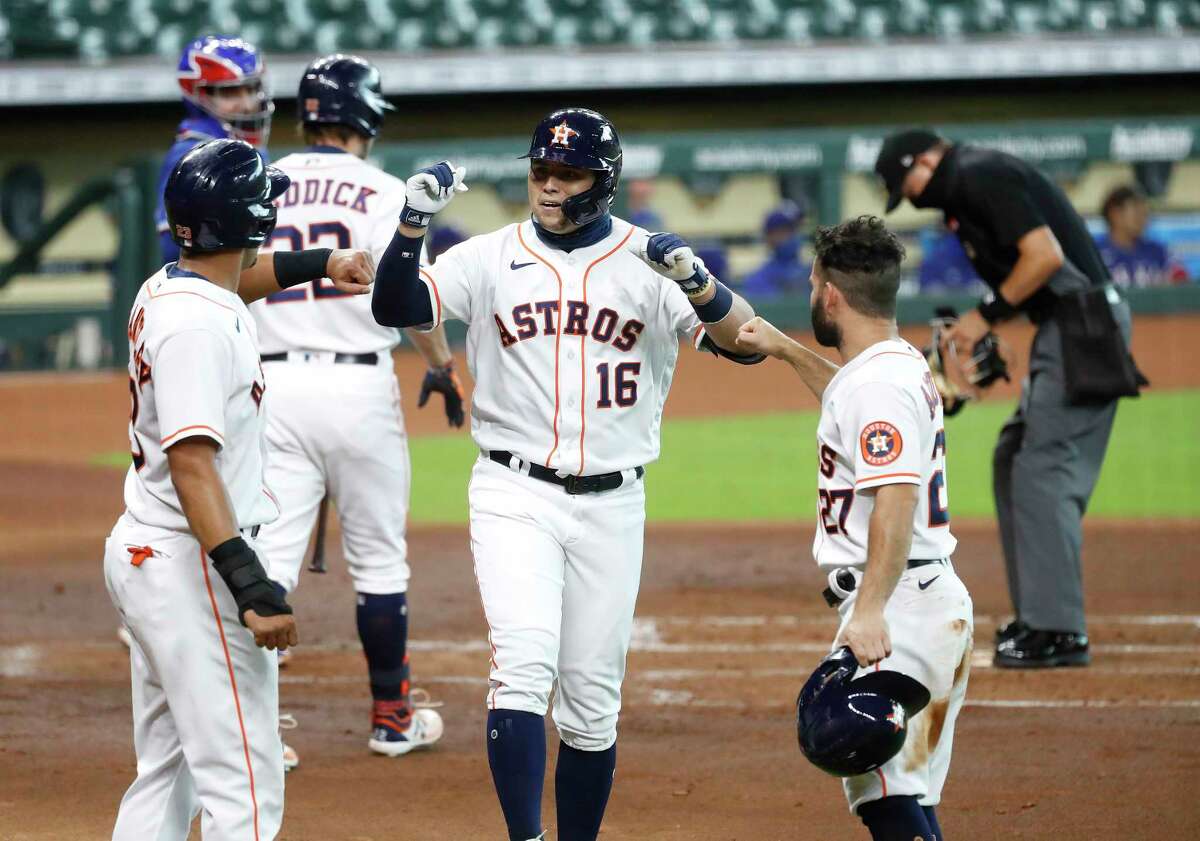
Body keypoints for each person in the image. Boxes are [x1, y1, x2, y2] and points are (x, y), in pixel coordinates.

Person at [371, 107, 763, 841]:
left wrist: (699, 282)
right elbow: (395, 304)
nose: (549, 186)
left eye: (567, 173)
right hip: (512, 490)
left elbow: (746, 341)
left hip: (614, 503)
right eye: (541, 171)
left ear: (602, 181)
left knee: (591, 703)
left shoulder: (649, 260)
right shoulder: (489, 255)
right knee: (520, 668)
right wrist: (412, 224)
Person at [103, 138, 372, 841]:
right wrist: (250, 583)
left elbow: (239, 282)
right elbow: (192, 461)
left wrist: (323, 263)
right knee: (245, 780)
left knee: (167, 772)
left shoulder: (173, 286)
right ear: (246, 217)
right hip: (193, 561)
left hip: (151, 552)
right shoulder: (196, 325)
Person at [249, 53, 461, 758]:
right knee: (378, 563)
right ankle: (392, 716)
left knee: (267, 562)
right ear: (363, 118)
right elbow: (410, 298)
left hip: (271, 387)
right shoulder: (383, 189)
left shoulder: (263, 181)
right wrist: (441, 365)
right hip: (360, 385)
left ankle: (254, 728)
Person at [736, 215, 972, 841]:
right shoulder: (895, 367)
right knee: (898, 788)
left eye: (814, 286)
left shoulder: (880, 387)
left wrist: (869, 612)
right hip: (921, 596)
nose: (813, 296)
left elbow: (894, 500)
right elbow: (846, 395)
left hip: (902, 608)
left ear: (831, 295)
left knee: (855, 755)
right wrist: (787, 349)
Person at [876, 128, 1143, 668]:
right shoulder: (970, 184)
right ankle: (1039, 615)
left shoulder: (977, 173)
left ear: (926, 159)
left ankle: (1059, 630)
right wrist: (990, 326)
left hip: (1082, 326)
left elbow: (1042, 257)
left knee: (1041, 469)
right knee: (1014, 455)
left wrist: (986, 316)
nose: (915, 197)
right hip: (1066, 325)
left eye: (910, 183)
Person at [155, 35, 274, 264]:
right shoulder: (192, 153)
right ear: (198, 94)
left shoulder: (246, 147)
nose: (247, 103)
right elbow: (173, 245)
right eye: (230, 92)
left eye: (251, 88)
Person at [1095, 185, 1186, 288]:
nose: (1143, 219)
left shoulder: (1158, 251)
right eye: (1137, 213)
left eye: (1145, 214)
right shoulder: (1095, 252)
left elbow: (1181, 281)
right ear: (1115, 214)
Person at [742, 200, 810, 297]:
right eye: (785, 231)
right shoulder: (758, 279)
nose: (793, 235)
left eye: (796, 229)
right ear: (769, 237)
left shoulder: (812, 272)